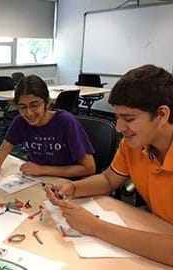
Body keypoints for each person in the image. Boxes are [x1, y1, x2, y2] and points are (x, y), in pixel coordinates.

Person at [46, 65, 173, 266]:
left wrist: (95, 226)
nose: (120, 128)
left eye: (129, 119)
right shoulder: (132, 144)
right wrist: (74, 188)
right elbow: (108, 180)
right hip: (157, 228)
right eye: (118, 118)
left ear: (162, 115)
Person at [0, 75, 95, 196]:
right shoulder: (20, 122)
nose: (28, 113)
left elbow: (89, 168)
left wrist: (43, 169)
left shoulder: (66, 122)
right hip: (38, 182)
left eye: (34, 105)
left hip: (68, 185)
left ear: (47, 102)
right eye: (22, 107)